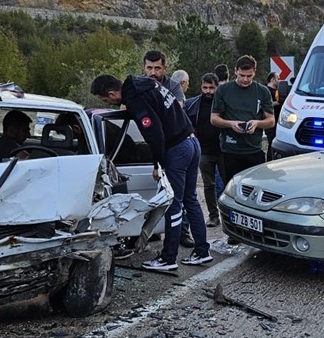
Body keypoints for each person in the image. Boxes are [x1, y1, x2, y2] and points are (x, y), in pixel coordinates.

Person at [91, 74, 210, 271]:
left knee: (173, 203)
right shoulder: (145, 83)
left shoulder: (135, 98)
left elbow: (154, 133)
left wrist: (158, 164)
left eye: (106, 100)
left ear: (112, 93)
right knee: (190, 199)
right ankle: (202, 251)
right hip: (191, 142)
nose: (109, 103)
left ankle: (168, 258)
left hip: (177, 149)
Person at [210, 55, 276, 183]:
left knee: (256, 187)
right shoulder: (223, 90)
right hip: (230, 150)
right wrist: (231, 124)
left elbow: (271, 120)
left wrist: (257, 123)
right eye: (242, 75)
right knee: (231, 188)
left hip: (254, 149)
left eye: (249, 76)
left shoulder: (263, 91)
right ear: (235, 71)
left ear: (254, 73)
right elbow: (214, 118)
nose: (245, 79)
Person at [185, 73, 223, 227]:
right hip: (204, 150)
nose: (208, 91)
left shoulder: (222, 103)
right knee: (208, 185)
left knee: (226, 185)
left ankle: (228, 216)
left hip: (223, 150)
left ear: (216, 87)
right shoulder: (193, 104)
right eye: (205, 87)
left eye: (211, 88)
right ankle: (213, 215)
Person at [264, 72, 280, 160]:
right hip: (270, 122)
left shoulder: (278, 91)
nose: (279, 81)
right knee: (272, 143)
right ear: (272, 79)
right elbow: (265, 105)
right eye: (278, 78)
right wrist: (277, 103)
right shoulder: (266, 91)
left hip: (278, 121)